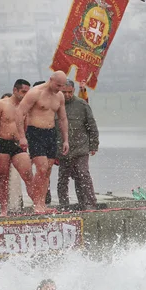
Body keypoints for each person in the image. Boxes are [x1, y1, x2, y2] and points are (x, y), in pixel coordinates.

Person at [15, 71, 69, 213]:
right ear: (50, 80)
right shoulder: (35, 93)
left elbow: (63, 119)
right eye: (57, 85)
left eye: (62, 86)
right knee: (42, 168)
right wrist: (22, 136)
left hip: (51, 133)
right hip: (35, 132)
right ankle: (38, 204)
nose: (59, 88)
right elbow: (20, 112)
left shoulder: (60, 96)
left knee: (48, 171)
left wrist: (66, 140)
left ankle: (42, 204)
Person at [57, 80, 99, 210]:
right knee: (63, 178)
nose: (67, 95)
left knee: (83, 175)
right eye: (64, 92)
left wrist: (93, 145)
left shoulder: (81, 104)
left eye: (69, 92)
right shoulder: (55, 104)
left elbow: (92, 125)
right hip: (63, 149)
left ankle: (90, 203)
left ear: (73, 91)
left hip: (81, 147)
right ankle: (64, 204)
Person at [0, 79, 35, 216]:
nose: (25, 95)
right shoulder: (1, 104)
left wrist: (24, 141)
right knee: (3, 178)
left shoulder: (25, 107)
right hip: (2, 143)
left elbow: (25, 128)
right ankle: (4, 210)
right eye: (23, 91)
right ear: (15, 90)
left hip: (17, 144)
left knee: (29, 175)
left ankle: (37, 205)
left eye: (27, 92)